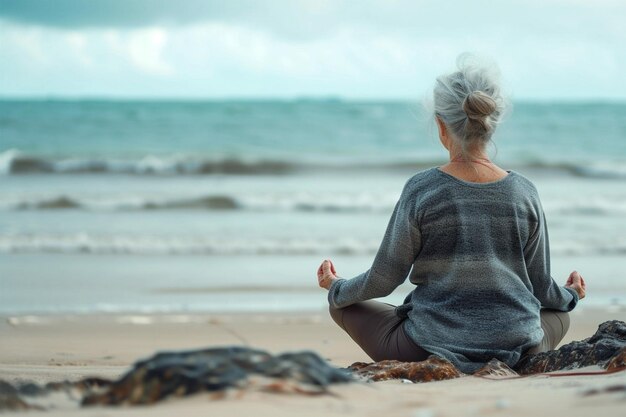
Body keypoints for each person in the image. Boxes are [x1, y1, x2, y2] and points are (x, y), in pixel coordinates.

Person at [316, 54, 587, 374]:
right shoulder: (524, 191)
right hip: (518, 345)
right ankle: (521, 355)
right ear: (492, 123)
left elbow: (384, 280)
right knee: (561, 315)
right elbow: (542, 287)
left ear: (441, 125)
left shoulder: (422, 189)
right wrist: (570, 295)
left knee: (342, 306)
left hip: (429, 347)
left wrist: (335, 286)